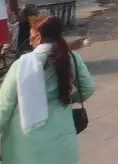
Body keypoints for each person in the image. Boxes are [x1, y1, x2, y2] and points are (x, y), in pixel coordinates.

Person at [0, 16, 95, 164]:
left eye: (31, 36)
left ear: (38, 36)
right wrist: (66, 98)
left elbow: (3, 107)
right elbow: (88, 88)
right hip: (62, 138)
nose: (30, 41)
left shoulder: (21, 65)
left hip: (27, 143)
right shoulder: (72, 58)